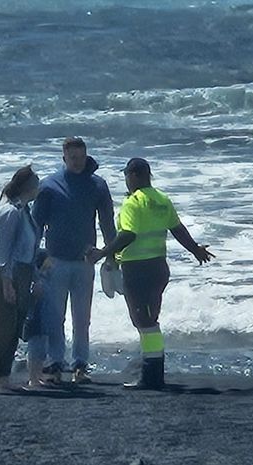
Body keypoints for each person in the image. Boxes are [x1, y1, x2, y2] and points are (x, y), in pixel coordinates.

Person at [88, 157, 214, 390]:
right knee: (150, 319)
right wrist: (195, 249)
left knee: (142, 321)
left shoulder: (133, 203)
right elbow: (178, 229)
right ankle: (154, 372)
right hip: (159, 268)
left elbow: (128, 234)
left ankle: (150, 375)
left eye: (127, 175)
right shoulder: (162, 199)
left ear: (134, 175)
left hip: (137, 269)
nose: (126, 180)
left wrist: (101, 253)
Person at [32, 137, 116, 384]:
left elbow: (107, 223)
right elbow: (36, 226)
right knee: (54, 317)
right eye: (73, 158)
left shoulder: (97, 185)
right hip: (54, 260)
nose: (78, 162)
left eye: (81, 157)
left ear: (86, 155)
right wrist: (35, 258)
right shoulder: (49, 186)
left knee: (82, 317)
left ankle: (80, 364)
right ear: (64, 158)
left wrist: (110, 254)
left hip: (84, 261)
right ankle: (55, 363)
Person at [0, 165, 41, 392]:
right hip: (1, 273)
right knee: (3, 326)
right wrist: (6, 282)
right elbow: (1, 250)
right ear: (28, 187)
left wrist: (35, 277)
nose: (39, 187)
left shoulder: (24, 211)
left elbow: (29, 250)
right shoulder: (9, 212)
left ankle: (2, 377)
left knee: (14, 326)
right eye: (36, 183)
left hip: (20, 272)